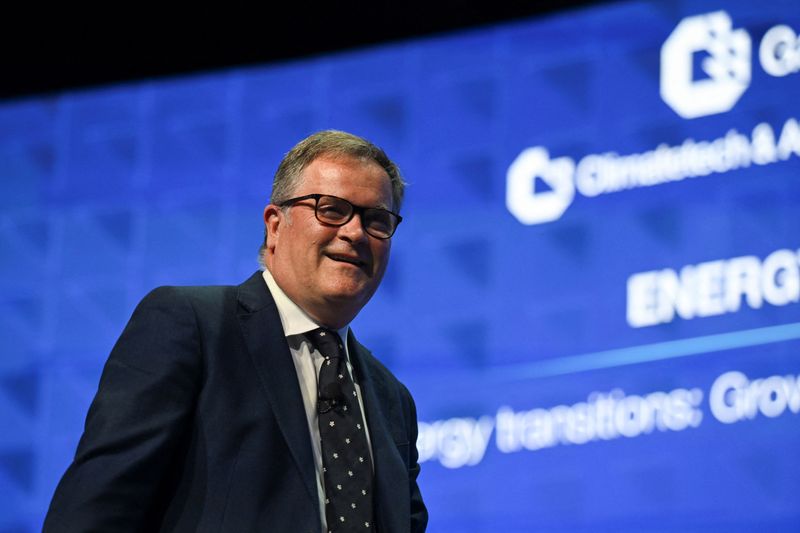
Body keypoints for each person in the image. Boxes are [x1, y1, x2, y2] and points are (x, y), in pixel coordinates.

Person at [43, 130, 428, 532]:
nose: (355, 233)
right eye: (331, 210)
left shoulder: (392, 399)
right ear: (275, 225)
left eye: (377, 220)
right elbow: (95, 510)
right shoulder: (190, 325)